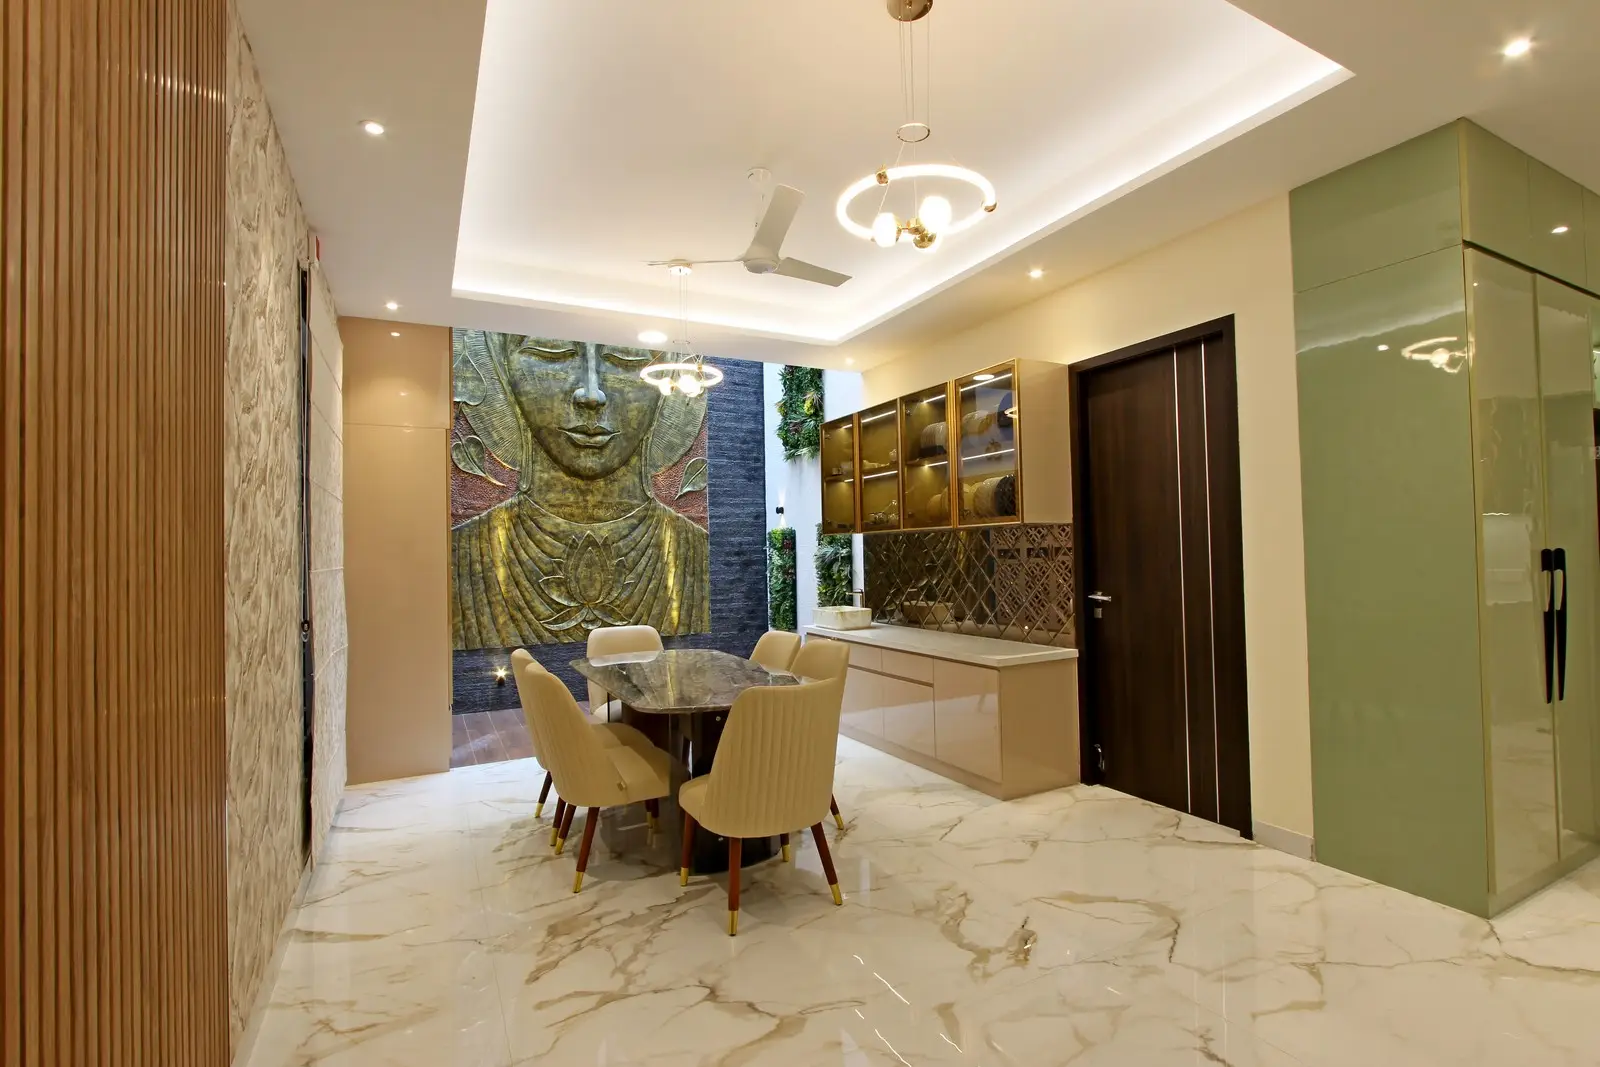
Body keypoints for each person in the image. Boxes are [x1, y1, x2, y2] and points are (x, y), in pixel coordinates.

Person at [451, 332, 710, 648]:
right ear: (501, 370)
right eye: (551, 352)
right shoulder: (462, 555)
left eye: (625, 358)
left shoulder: (695, 554)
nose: (591, 394)